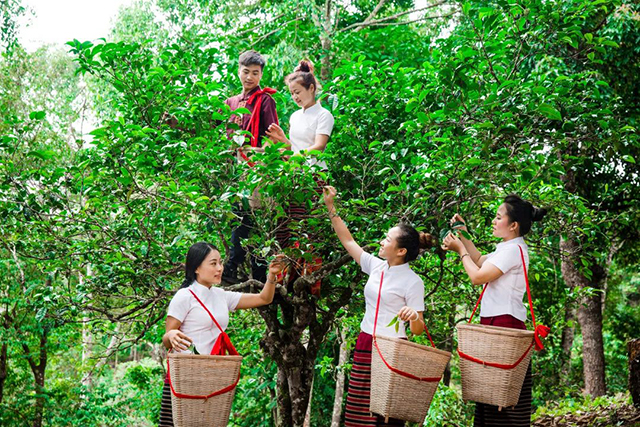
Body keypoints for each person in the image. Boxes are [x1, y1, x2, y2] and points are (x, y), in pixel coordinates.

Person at [323, 186, 434, 427]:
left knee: (385, 416)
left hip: (393, 349)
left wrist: (414, 315)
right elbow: (348, 240)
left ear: (401, 251)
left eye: (387, 239)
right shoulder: (376, 266)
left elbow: (417, 329)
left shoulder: (414, 282)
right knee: (358, 415)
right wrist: (331, 207)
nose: (381, 242)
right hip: (365, 343)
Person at [441, 194, 547, 427]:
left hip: (504, 326)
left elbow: (477, 277)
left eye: (498, 217)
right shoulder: (507, 248)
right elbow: (479, 260)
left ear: (513, 225)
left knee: (500, 399)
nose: (493, 221)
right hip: (496, 326)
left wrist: (460, 250)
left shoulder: (512, 250)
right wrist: (464, 235)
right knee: (490, 396)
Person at [159, 242, 284, 427]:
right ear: (196, 268)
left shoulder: (221, 295)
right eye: (213, 263)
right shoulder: (184, 296)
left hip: (212, 376)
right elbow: (167, 337)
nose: (220, 268)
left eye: (220, 262)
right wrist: (172, 336)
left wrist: (272, 276)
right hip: (187, 375)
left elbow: (264, 298)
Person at [222, 50, 279, 284]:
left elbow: (273, 136)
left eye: (255, 73)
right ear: (239, 71)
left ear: (261, 75)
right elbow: (209, 125)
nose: (249, 77)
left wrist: (261, 163)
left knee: (250, 217)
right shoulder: (230, 102)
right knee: (243, 218)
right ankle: (255, 278)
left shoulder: (265, 100)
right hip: (232, 168)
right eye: (246, 72)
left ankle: (233, 266)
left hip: (256, 167)